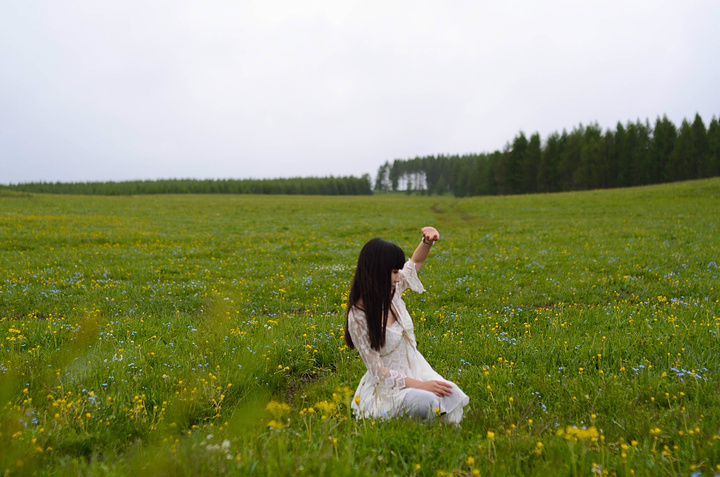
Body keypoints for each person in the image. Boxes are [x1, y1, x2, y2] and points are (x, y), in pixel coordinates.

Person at [345, 226, 469, 423]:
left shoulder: (391, 293)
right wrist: (420, 385)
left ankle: (430, 422)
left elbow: (415, 262)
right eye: (394, 272)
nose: (398, 277)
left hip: (416, 369)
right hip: (387, 387)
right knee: (427, 401)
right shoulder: (358, 316)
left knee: (452, 394)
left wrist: (427, 241)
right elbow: (377, 370)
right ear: (377, 272)